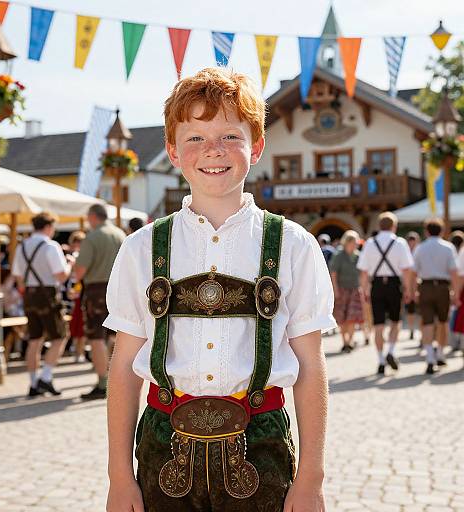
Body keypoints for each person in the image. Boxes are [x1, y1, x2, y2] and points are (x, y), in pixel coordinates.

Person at [104, 68, 336, 512]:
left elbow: (310, 365)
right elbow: (123, 369)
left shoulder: (292, 245)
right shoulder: (140, 249)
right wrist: (119, 477)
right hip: (162, 443)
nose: (213, 150)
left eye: (231, 136)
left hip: (261, 443)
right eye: (195, 138)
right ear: (172, 150)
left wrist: (311, 477)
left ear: (257, 146)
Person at [12, 212, 73, 397]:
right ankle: (45, 378)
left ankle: (32, 383)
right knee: (60, 336)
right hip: (47, 294)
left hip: (29, 295)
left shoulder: (22, 246)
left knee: (34, 339)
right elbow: (61, 276)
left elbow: (18, 277)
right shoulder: (50, 246)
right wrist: (70, 264)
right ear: (48, 226)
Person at [74, 204, 126, 400]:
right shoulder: (120, 234)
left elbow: (79, 271)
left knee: (96, 337)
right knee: (116, 335)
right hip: (119, 288)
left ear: (93, 217)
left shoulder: (93, 237)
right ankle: (119, 377)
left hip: (96, 290)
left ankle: (103, 381)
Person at [357, 212, 413, 375]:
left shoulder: (370, 243)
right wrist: (408, 289)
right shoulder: (400, 243)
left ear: (379, 226)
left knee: (378, 325)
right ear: (394, 226)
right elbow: (407, 269)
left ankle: (381, 360)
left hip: (377, 285)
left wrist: (364, 290)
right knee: (395, 322)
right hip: (394, 285)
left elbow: (364, 272)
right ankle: (391, 351)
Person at [412, 218, 460, 374]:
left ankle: (430, 357)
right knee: (442, 321)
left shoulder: (420, 248)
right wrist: (456, 292)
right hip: (442, 287)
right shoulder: (448, 248)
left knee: (427, 323)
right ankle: (440, 352)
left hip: (425, 286)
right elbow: (454, 272)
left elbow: (413, 272)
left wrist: (413, 291)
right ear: (442, 231)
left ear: (426, 231)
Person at [330, 230, 364, 353]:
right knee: (342, 318)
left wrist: (363, 288)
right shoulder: (339, 255)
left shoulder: (358, 256)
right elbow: (333, 273)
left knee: (353, 317)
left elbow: (362, 274)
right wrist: (335, 289)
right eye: (354, 242)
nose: (356, 244)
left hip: (355, 289)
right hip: (342, 289)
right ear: (348, 242)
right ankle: (345, 341)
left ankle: (349, 341)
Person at [68, 231, 87, 363]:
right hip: (76, 293)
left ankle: (80, 351)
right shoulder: (73, 257)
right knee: (77, 325)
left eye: (79, 242)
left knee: (82, 325)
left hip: (82, 293)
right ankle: (77, 350)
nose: (76, 244)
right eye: (75, 242)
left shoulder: (82, 256)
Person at [405, 231, 420, 341]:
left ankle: (420, 331)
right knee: (410, 309)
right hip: (407, 284)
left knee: (420, 310)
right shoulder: (405, 253)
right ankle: (411, 329)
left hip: (420, 284)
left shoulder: (421, 252)